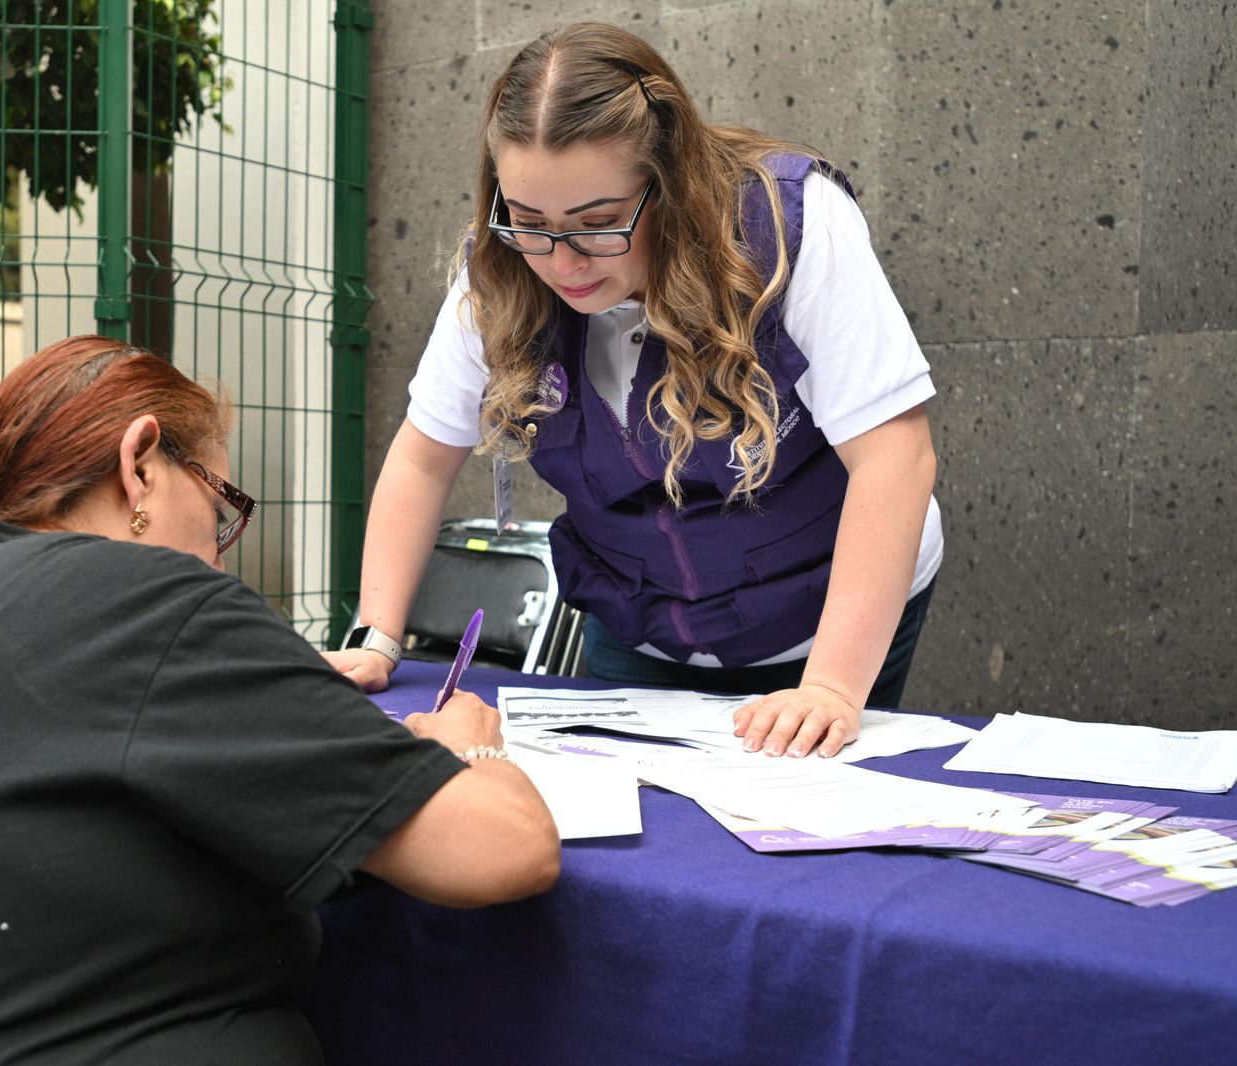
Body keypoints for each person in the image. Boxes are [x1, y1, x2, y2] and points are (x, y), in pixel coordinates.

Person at [0, 335, 557, 1066]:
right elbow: (499, 849)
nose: (218, 553)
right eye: (221, 504)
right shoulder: (141, 601)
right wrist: (468, 744)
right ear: (139, 465)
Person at [325, 23, 941, 761]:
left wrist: (835, 688)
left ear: (670, 181)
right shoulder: (497, 267)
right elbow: (424, 458)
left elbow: (895, 458)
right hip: (639, 623)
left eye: (598, 224)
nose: (562, 260)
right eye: (530, 222)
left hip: (824, 616)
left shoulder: (788, 222)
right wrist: (377, 636)